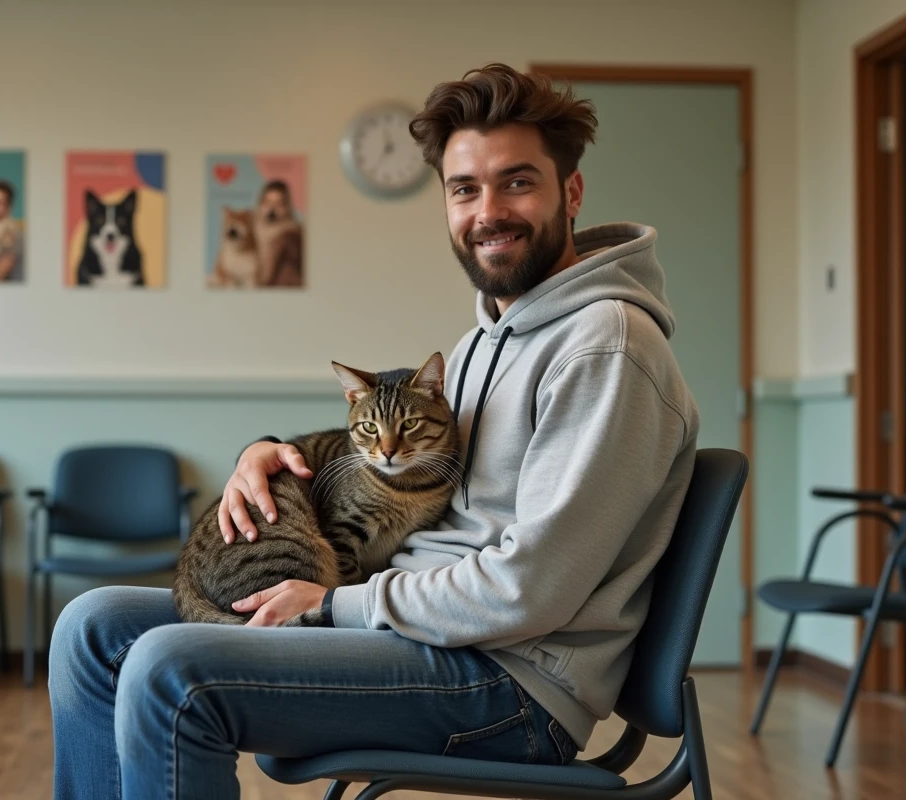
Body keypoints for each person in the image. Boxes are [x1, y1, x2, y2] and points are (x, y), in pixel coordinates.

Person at [48, 62, 700, 800]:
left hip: (512, 684)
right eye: (464, 189)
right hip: (424, 627)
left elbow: (532, 592)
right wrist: (266, 454)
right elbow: (384, 455)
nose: (488, 210)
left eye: (517, 181)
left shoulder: (605, 347)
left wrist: (331, 603)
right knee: (93, 627)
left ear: (570, 192)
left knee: (173, 672)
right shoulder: (484, 341)